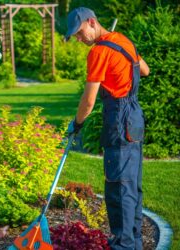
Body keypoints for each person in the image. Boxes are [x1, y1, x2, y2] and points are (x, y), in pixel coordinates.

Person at [64, 7, 150, 250]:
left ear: (92, 22)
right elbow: (144, 70)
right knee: (131, 185)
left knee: (118, 188)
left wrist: (77, 123)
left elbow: (89, 100)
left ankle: (123, 246)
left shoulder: (99, 52)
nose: (79, 40)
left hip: (118, 121)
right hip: (134, 117)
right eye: (76, 37)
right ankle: (133, 243)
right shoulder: (122, 41)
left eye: (80, 33)